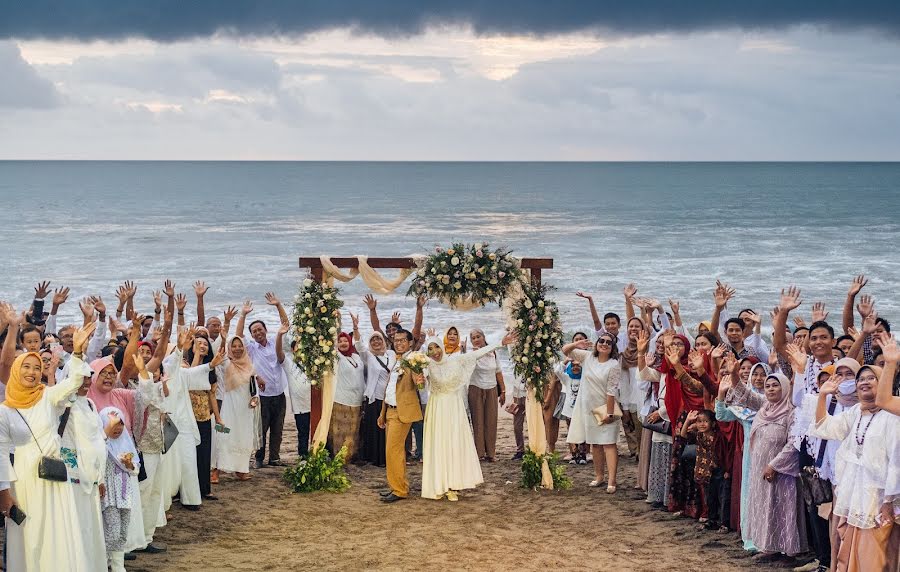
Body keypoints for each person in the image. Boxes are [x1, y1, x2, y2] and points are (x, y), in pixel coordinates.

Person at [4, 321, 99, 571]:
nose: (32, 372)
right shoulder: (5, 409)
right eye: (26, 366)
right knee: (29, 533)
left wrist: (77, 352)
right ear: (16, 370)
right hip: (23, 479)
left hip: (53, 475)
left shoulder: (48, 396)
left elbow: (75, 381)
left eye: (37, 367)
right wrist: (4, 494)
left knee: (56, 531)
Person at [812, 364, 900, 571]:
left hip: (880, 502)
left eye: (872, 378)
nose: (864, 382)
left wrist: (888, 501)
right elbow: (825, 428)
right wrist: (822, 397)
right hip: (855, 498)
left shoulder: (893, 418)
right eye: (861, 379)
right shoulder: (855, 413)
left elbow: (896, 462)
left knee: (875, 558)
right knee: (849, 553)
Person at [723, 362, 808, 563]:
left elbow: (793, 444)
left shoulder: (792, 412)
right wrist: (734, 374)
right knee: (764, 507)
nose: (770, 389)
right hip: (760, 467)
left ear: (785, 388)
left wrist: (775, 465)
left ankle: (789, 551)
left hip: (782, 471)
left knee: (783, 508)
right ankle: (769, 547)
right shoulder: (764, 406)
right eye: (768, 386)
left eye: (775, 385)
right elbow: (744, 394)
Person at [420, 330, 517, 501]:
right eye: (430, 349)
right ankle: (438, 483)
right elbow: (421, 383)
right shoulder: (427, 365)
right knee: (439, 445)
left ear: (442, 347)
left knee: (453, 444)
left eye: (437, 347)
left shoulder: (456, 360)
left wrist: (500, 343)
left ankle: (452, 484)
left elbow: (479, 353)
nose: (435, 352)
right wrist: (419, 380)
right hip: (437, 409)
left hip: (454, 408)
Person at [563, 332, 623, 494]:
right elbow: (565, 350)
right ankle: (599, 476)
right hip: (588, 409)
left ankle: (612, 480)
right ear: (597, 343)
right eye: (601, 341)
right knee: (595, 443)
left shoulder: (614, 365)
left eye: (608, 343)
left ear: (612, 347)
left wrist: (609, 414)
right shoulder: (588, 357)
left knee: (609, 443)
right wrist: (577, 344)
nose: (604, 344)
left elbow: (611, 391)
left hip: (605, 408)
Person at [236, 294, 289, 468]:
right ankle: (259, 459)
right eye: (254, 331)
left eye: (260, 329)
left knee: (278, 428)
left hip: (279, 393)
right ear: (251, 335)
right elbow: (237, 337)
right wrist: (243, 315)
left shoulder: (276, 341)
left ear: (265, 330)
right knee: (261, 428)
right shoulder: (251, 348)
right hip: (262, 396)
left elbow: (285, 325)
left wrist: (278, 305)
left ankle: (274, 458)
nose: (258, 333)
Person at [377, 329, 424, 503]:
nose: (398, 343)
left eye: (402, 340)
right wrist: (383, 413)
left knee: (393, 451)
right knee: (393, 452)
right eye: (396, 340)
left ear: (410, 342)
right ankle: (397, 485)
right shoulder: (397, 360)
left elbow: (418, 382)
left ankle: (399, 489)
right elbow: (390, 388)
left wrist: (420, 380)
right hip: (389, 410)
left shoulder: (413, 361)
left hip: (401, 412)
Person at [215, 336, 263, 480]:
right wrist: (224, 336)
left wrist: (255, 399)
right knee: (223, 435)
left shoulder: (250, 366)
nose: (237, 349)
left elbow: (253, 388)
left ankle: (241, 469)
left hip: (245, 409)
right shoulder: (227, 364)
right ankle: (216, 470)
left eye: (239, 345)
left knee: (244, 437)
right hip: (229, 408)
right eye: (234, 346)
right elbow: (220, 353)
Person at [100, 406, 141, 572]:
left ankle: (118, 567)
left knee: (123, 531)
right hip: (108, 494)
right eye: (113, 424)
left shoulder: (125, 441)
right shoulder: (101, 444)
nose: (117, 428)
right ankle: (102, 564)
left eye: (120, 424)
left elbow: (136, 469)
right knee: (113, 531)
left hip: (124, 495)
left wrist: (130, 465)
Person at [467, 328, 506, 462]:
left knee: (491, 421)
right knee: (478, 421)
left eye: (478, 337)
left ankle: (491, 453)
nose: (476, 340)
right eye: (473, 338)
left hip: (491, 389)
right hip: (475, 388)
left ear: (483, 337)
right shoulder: (471, 354)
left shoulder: (492, 352)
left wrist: (503, 391)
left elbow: (498, 372)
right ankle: (479, 453)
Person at [357, 330, 393, 467]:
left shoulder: (392, 355)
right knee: (375, 428)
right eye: (373, 340)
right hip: (374, 397)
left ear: (383, 341)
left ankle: (386, 457)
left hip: (389, 397)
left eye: (378, 339)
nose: (376, 342)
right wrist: (355, 328)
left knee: (387, 428)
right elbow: (359, 346)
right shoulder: (369, 356)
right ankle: (375, 458)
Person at [329, 326, 365, 461]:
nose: (343, 343)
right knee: (340, 432)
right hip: (341, 400)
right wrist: (336, 319)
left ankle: (350, 457)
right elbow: (331, 341)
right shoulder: (336, 357)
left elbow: (360, 344)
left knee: (353, 432)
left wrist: (356, 327)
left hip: (357, 401)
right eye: (340, 341)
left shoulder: (356, 356)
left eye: (346, 341)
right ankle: (339, 459)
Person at [277, 324, 311, 458]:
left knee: (317, 431)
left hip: (315, 404)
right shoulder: (289, 363)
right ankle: (303, 456)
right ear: (292, 349)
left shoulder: (314, 363)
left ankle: (318, 454)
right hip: (300, 406)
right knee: (303, 432)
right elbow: (279, 353)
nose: (301, 348)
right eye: (298, 346)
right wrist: (280, 335)